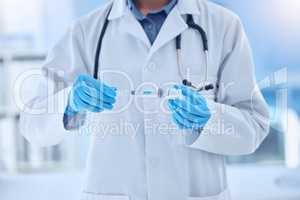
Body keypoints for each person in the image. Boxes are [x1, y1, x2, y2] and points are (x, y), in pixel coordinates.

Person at [20, 0, 270, 199]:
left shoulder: (224, 26)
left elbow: (254, 127)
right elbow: (32, 124)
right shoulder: (86, 32)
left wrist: (210, 118)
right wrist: (68, 102)